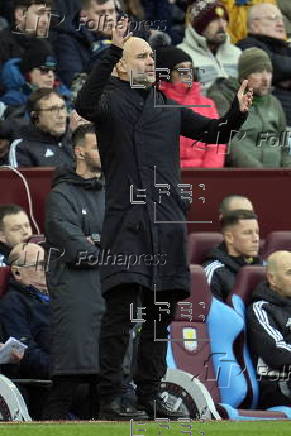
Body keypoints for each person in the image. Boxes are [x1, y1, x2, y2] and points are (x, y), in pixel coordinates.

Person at [75, 16, 253, 420]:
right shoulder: (108, 100)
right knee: (121, 314)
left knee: (159, 317)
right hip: (127, 223)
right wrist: (112, 50)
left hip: (168, 223)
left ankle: (148, 397)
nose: (149, 63)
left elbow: (215, 133)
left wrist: (237, 113)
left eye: (152, 57)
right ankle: (110, 398)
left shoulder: (167, 108)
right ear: (121, 63)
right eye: (140, 56)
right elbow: (83, 104)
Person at [43, 124, 106, 420]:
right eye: (96, 147)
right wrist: (104, 248)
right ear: (79, 151)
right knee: (68, 381)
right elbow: (75, 247)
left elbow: (132, 239)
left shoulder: (115, 191)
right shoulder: (60, 195)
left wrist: (96, 242)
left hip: (110, 295)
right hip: (75, 297)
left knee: (108, 384)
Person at [208, 48, 290, 167]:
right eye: (258, 72)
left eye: (268, 72)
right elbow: (230, 144)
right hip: (245, 177)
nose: (266, 79)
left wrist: (287, 173)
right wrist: (258, 173)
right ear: (243, 78)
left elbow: (284, 146)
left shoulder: (273, 102)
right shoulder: (225, 99)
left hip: (276, 178)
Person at [0, 243, 50, 419]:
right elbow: (25, 351)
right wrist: (64, 368)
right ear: (17, 272)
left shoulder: (60, 298)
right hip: (45, 382)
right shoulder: (14, 303)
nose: (45, 270)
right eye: (39, 265)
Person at [156, 45, 226, 168]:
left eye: (190, 69)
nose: (188, 74)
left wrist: (209, 175)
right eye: (181, 70)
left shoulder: (207, 104)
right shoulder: (153, 106)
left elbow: (216, 145)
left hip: (206, 175)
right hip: (169, 177)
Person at [247, 250, 291, 408]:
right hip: (278, 383)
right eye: (289, 273)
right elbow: (276, 352)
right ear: (272, 279)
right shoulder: (260, 309)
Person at [237, 3, 291, 126]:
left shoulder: (286, 48)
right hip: (273, 114)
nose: (280, 23)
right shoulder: (247, 45)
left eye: (281, 19)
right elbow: (275, 67)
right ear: (255, 25)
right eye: (273, 18)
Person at [177, 0, 241, 91]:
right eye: (214, 20)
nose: (221, 25)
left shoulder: (237, 54)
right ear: (199, 26)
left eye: (224, 19)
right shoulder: (182, 56)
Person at [52, 0, 118, 87]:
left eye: (111, 11)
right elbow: (75, 85)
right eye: (101, 13)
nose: (109, 17)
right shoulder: (66, 41)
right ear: (83, 16)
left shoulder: (124, 37)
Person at [203, 210, 260, 302]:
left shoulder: (263, 267)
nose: (256, 239)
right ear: (229, 238)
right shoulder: (213, 272)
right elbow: (209, 313)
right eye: (248, 233)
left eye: (257, 232)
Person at [8, 88, 74, 168]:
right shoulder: (22, 147)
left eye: (63, 108)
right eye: (52, 109)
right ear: (35, 116)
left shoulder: (77, 140)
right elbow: (21, 180)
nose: (61, 115)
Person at [0, 39, 71, 108]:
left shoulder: (64, 94)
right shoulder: (13, 100)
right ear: (30, 73)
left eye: (53, 70)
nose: (50, 75)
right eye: (44, 70)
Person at [0, 0, 53, 70]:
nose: (46, 20)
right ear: (20, 15)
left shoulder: (45, 47)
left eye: (48, 15)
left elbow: (53, 77)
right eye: (40, 13)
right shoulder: (3, 44)